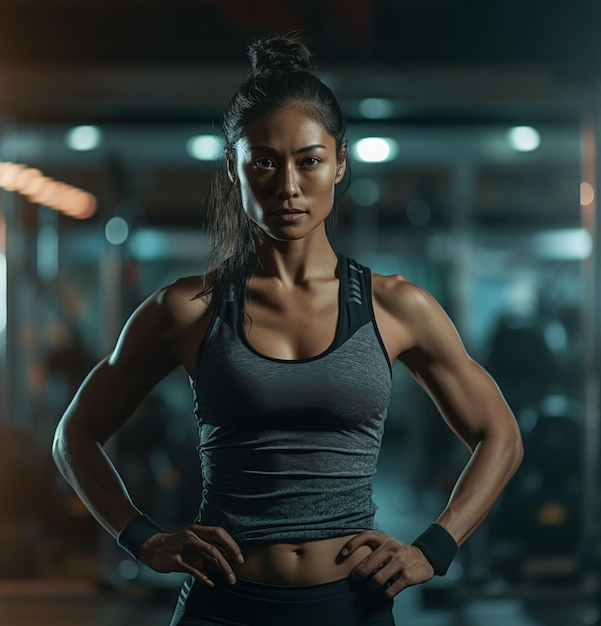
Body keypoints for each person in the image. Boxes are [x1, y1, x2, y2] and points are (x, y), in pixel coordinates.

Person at [52, 32, 523, 626]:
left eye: (310, 161)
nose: (289, 186)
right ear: (234, 168)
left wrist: (435, 548)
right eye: (264, 162)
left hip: (351, 607)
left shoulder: (396, 306)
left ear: (339, 162)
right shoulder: (189, 308)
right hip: (225, 605)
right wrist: (144, 539)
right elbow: (75, 434)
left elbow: (500, 436)